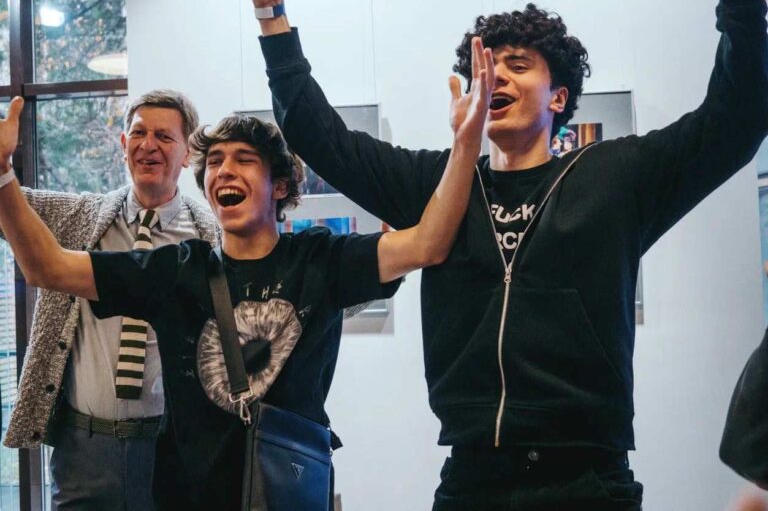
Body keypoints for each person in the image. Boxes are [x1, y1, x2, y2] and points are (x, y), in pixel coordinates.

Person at [232, 0, 768, 508]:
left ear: (558, 97)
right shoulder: (439, 185)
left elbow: (737, 117)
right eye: (486, 68)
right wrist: (272, 14)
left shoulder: (616, 177)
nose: (498, 78)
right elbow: (320, 137)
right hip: (472, 476)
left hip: (586, 478)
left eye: (519, 65)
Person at [0, 30, 492, 510]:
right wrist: (3, 174)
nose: (224, 171)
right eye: (214, 162)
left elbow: (429, 242)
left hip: (287, 489)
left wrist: (466, 144)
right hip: (187, 496)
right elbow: (49, 268)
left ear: (280, 186)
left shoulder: (321, 260)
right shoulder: (178, 269)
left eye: (244, 159)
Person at [1, 90, 218, 511]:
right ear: (122, 145)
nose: (148, 145)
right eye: (138, 133)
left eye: (163, 136)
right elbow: (8, 206)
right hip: (84, 451)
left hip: (173, 451)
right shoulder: (78, 217)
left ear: (188, 153)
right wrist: (1, 166)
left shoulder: (213, 239)